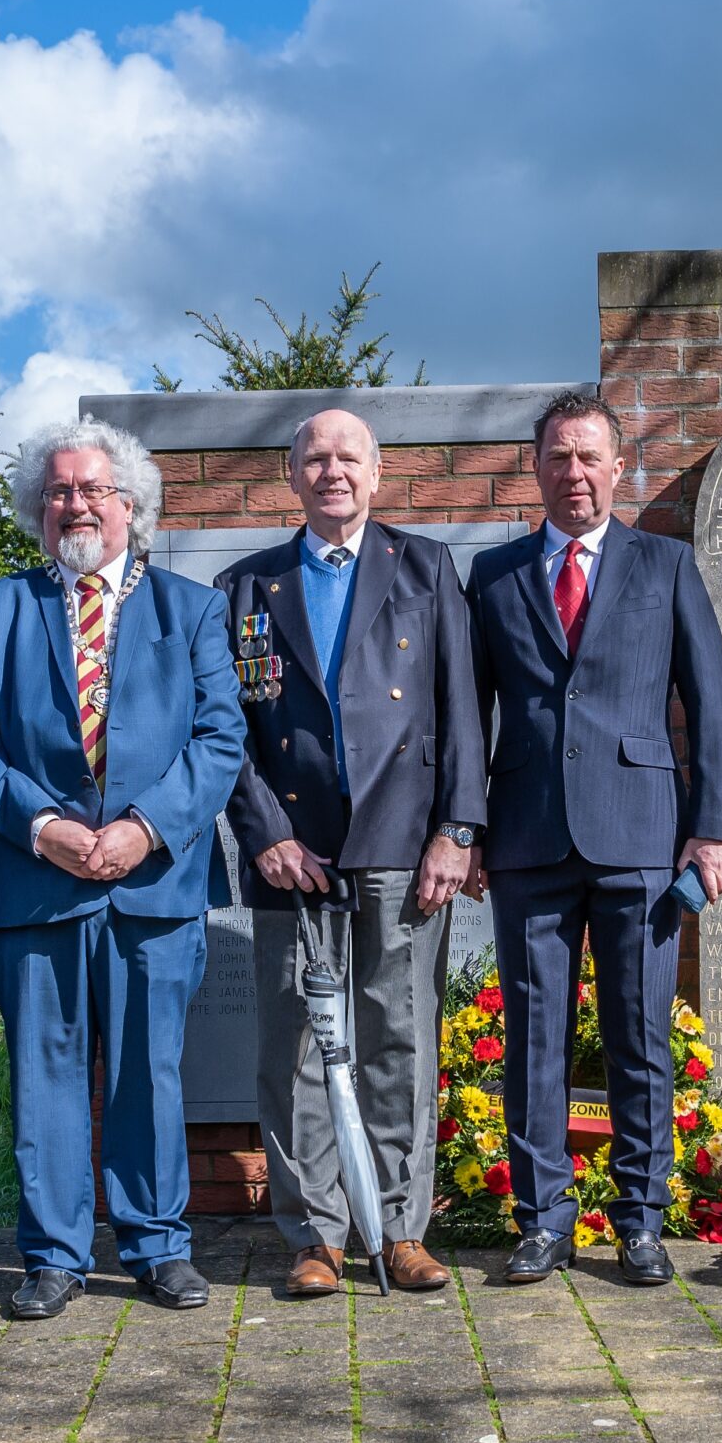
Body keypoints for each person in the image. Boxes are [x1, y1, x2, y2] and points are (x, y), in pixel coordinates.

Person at [0, 419, 244, 1320]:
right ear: (39, 509)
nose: (74, 502)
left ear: (132, 505)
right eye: (58, 490)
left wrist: (146, 830)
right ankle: (54, 1254)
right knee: (45, 1074)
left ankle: (158, 1245)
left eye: (93, 488)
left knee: (149, 1073)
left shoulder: (190, 610)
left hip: (152, 887)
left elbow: (219, 738)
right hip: (40, 885)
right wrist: (44, 827)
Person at [466, 391, 722, 1287]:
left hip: (641, 838)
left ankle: (640, 1218)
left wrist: (715, 829)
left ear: (619, 467)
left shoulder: (665, 564)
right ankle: (542, 1220)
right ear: (535, 467)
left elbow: (712, 703)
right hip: (527, 837)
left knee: (638, 1035)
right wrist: (460, 827)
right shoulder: (496, 575)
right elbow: (468, 717)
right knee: (536, 1037)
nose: (573, 473)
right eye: (557, 457)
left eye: (589, 457)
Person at [216, 409, 486, 1299]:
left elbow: (459, 709)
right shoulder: (246, 585)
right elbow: (229, 732)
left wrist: (458, 830)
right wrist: (266, 834)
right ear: (292, 476)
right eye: (315, 458)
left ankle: (402, 1229)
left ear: (377, 475)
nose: (332, 472)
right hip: (294, 851)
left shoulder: (425, 568)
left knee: (398, 1039)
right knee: (292, 1043)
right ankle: (315, 1236)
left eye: (349, 458)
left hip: (403, 844)